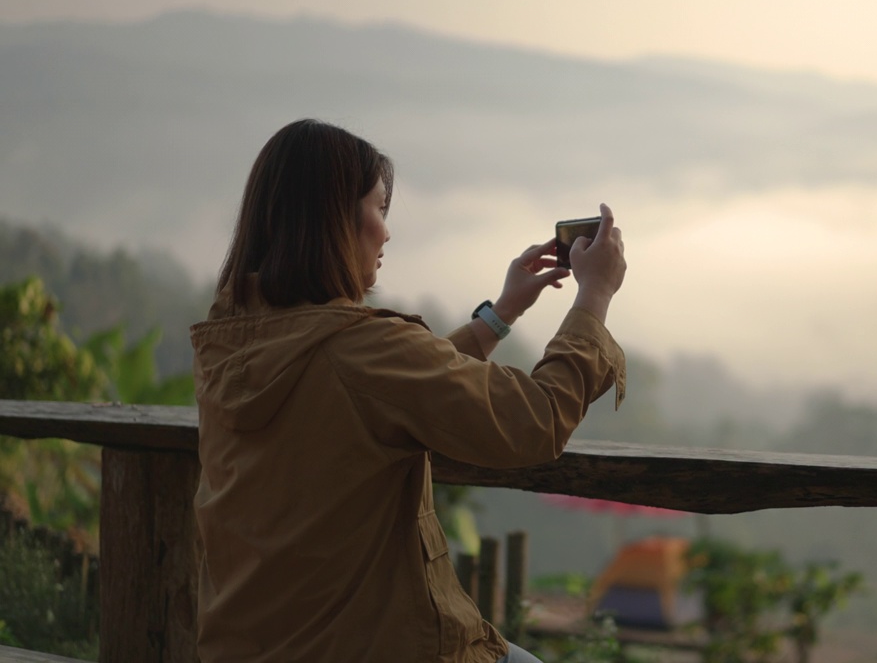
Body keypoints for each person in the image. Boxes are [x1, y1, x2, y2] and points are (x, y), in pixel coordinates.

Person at [190, 119, 627, 663]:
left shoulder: (230, 347)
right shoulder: (360, 349)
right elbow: (533, 422)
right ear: (333, 221)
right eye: (379, 209)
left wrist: (501, 312)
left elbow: (381, 389)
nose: (387, 232)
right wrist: (595, 298)